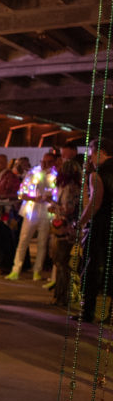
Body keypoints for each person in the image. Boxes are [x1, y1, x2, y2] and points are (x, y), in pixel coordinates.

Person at [76, 136, 113, 322]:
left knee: (91, 267)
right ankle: (110, 314)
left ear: (100, 152)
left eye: (91, 154)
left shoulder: (97, 174)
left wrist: (80, 222)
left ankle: (88, 311)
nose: (90, 159)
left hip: (100, 226)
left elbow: (95, 203)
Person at [7, 153, 58, 281]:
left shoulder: (56, 176)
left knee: (42, 243)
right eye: (43, 161)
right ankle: (16, 270)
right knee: (23, 240)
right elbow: (21, 193)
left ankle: (37, 271)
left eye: (49, 162)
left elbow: (57, 196)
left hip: (46, 213)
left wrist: (50, 198)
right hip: (31, 212)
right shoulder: (32, 174)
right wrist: (33, 198)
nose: (45, 164)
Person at [48, 158, 81, 305]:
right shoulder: (73, 186)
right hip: (67, 228)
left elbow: (68, 209)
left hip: (66, 229)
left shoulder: (69, 188)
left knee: (62, 263)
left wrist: (53, 205)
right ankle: (61, 295)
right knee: (63, 263)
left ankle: (62, 296)